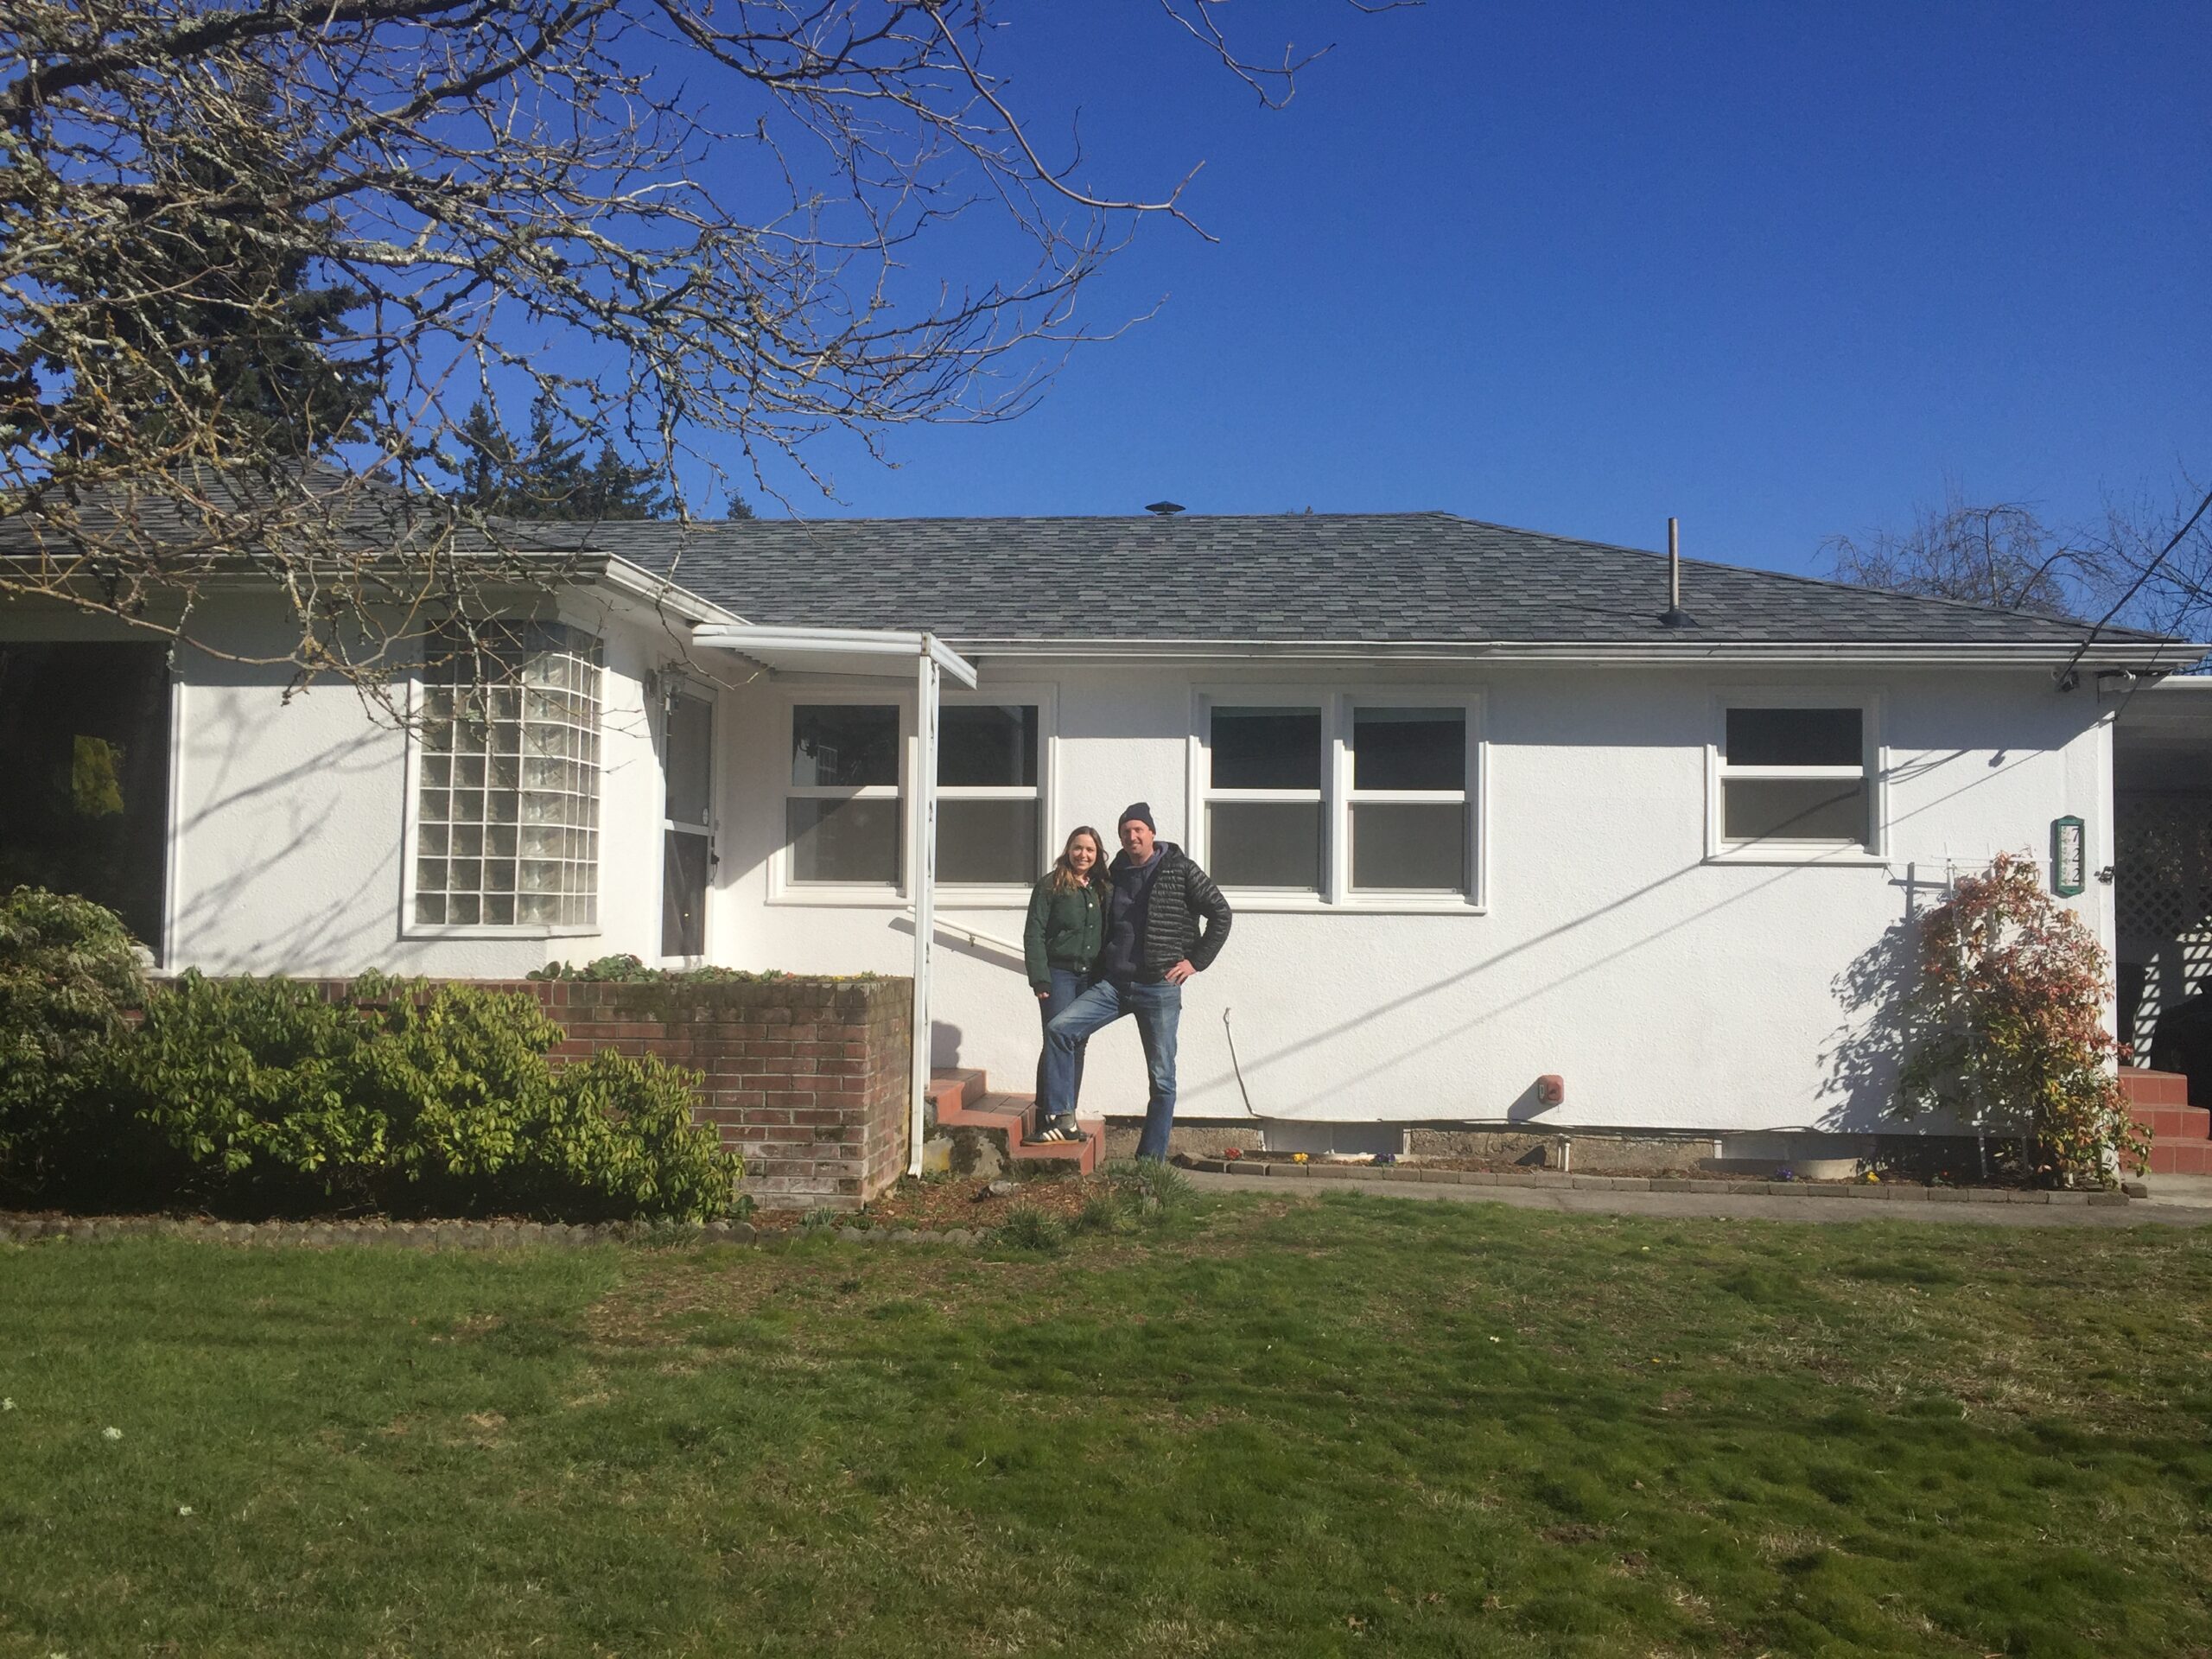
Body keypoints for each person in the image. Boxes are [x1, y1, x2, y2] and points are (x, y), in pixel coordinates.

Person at [1035, 803, 1232, 1158]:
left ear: (1152, 833)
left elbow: (1221, 913)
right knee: (1060, 1029)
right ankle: (1062, 1118)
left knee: (1162, 1077)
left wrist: (1195, 962)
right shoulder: (1115, 873)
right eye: (1126, 831)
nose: (1132, 836)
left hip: (1159, 986)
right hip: (1114, 985)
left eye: (1139, 829)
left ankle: (1150, 1160)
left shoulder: (1180, 868)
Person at [1022, 825, 1109, 1116]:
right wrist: (1039, 978)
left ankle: (1068, 1113)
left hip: (1089, 976)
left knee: (1079, 1041)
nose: (1083, 854)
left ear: (1097, 855)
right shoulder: (1051, 885)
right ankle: (1048, 1111)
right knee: (1057, 1037)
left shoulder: (1101, 888)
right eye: (1078, 847)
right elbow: (1033, 933)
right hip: (1058, 974)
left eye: (1090, 850)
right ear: (1068, 850)